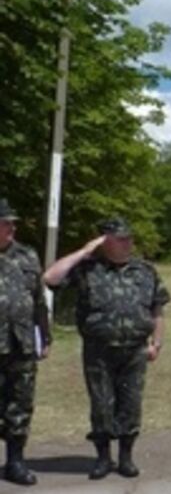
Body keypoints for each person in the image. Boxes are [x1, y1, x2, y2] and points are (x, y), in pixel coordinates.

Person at [44, 217, 169, 480]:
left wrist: (156, 343)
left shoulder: (145, 270)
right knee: (101, 406)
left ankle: (126, 458)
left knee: (131, 406)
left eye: (129, 238)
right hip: (98, 352)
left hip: (135, 351)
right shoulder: (88, 269)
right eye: (121, 239)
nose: (129, 243)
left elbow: (157, 308)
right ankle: (103, 458)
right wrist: (84, 251)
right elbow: (50, 278)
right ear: (105, 242)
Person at [0, 199, 52, 486]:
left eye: (12, 223)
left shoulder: (28, 255)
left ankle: (15, 463)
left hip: (21, 345)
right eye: (6, 222)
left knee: (19, 405)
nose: (12, 227)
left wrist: (44, 336)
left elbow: (39, 302)